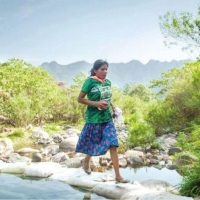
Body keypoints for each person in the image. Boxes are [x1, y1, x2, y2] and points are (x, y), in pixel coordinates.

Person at [75, 59, 129, 183]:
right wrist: (95, 103)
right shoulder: (89, 82)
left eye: (106, 69)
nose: (105, 72)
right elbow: (80, 99)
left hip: (107, 119)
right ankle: (86, 160)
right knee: (95, 143)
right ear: (95, 70)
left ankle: (118, 176)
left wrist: (114, 108)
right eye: (102, 69)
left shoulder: (107, 82)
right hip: (94, 119)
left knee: (113, 144)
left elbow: (108, 98)